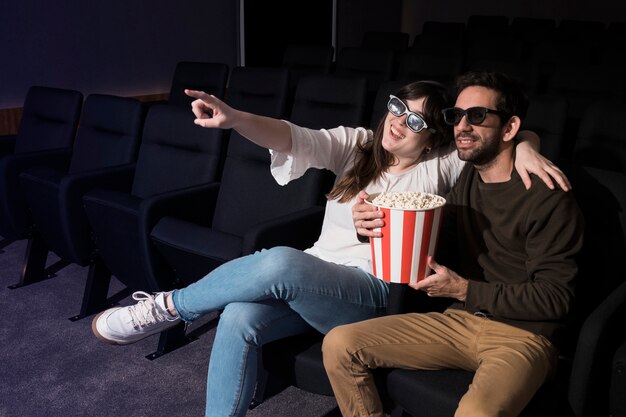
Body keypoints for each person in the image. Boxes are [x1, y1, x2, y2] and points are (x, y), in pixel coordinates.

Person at [91, 79, 569, 417]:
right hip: (313, 281)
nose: (399, 123)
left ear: (432, 139)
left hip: (372, 293)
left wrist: (527, 143)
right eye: (397, 108)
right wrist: (236, 119)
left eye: (417, 119)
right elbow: (294, 136)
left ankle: (169, 307)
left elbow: (488, 139)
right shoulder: (358, 147)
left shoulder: (441, 166)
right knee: (238, 315)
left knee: (279, 258)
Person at [322, 71, 584, 417]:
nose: (462, 126)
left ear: (509, 129)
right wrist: (369, 226)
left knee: (476, 413)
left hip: (523, 336)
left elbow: (555, 299)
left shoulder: (548, 198)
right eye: (456, 116)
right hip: (461, 321)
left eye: (476, 116)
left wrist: (463, 289)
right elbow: (431, 242)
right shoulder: (467, 180)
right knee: (340, 344)